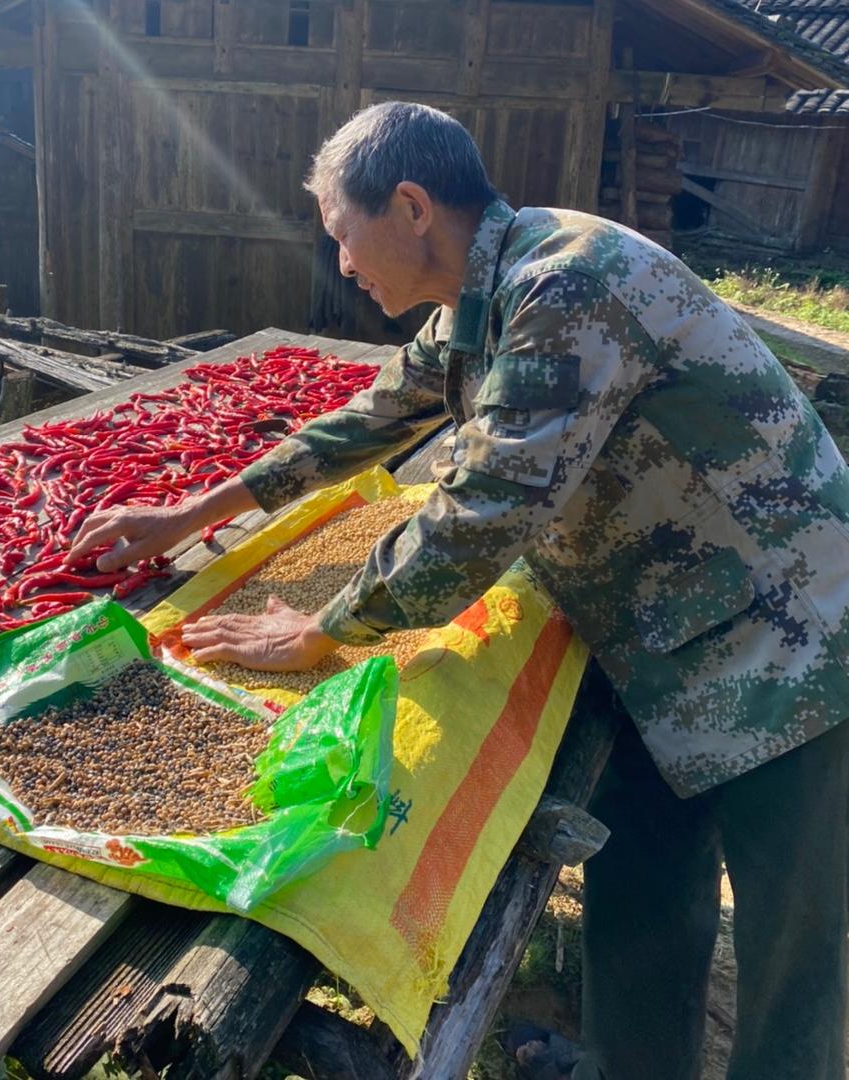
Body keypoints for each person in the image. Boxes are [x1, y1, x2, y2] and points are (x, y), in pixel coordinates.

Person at [69, 102, 849, 1079]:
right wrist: (187, 516)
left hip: (790, 630)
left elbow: (482, 515)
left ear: (409, 207)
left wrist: (326, 627)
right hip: (662, 628)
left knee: (792, 954)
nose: (342, 265)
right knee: (645, 882)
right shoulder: (482, 298)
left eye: (343, 238)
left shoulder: (566, 286)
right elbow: (370, 418)